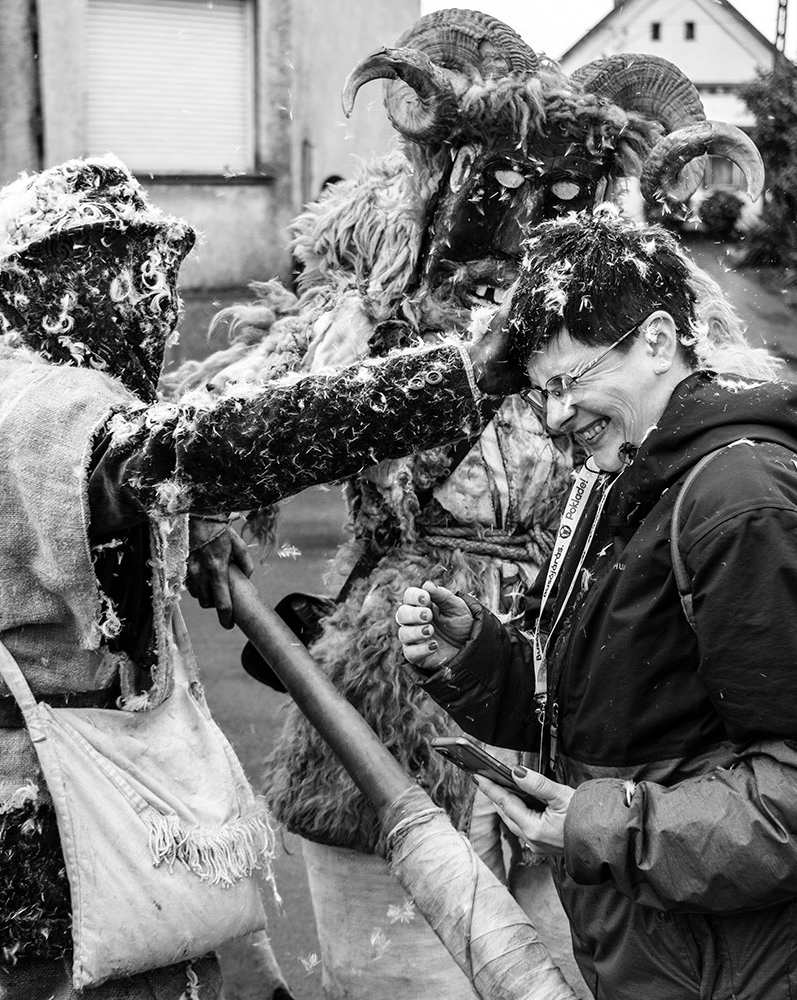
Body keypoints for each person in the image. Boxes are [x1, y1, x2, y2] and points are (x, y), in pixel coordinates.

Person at [166, 10, 765, 998]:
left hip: (576, 668)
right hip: (400, 662)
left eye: (557, 186)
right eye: (499, 174)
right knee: (405, 967)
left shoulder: (618, 312)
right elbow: (262, 402)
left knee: (572, 967)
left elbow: (723, 405)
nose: (521, 205)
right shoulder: (381, 290)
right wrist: (206, 501)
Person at [0, 154, 519, 1000]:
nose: (152, 307)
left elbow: (60, 533)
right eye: (121, 277)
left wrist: (179, 521)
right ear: (35, 293)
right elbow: (198, 447)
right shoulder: (55, 409)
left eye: (157, 280)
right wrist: (462, 378)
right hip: (58, 843)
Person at [394, 208, 797, 1000]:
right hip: (682, 964)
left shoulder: (742, 504)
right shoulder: (626, 481)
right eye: (543, 393)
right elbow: (628, 716)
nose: (555, 416)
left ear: (659, 341)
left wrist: (598, 827)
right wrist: (482, 660)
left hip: (766, 979)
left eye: (570, 381)